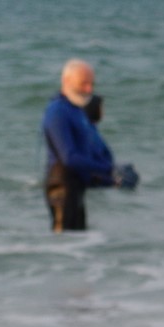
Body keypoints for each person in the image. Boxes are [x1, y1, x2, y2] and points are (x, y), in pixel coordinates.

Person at [41, 60, 137, 232]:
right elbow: (69, 158)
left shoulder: (77, 110)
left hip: (77, 187)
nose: (89, 90)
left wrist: (114, 179)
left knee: (79, 241)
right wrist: (109, 169)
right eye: (83, 84)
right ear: (66, 81)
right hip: (61, 189)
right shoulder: (57, 111)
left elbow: (89, 157)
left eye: (91, 84)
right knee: (63, 243)